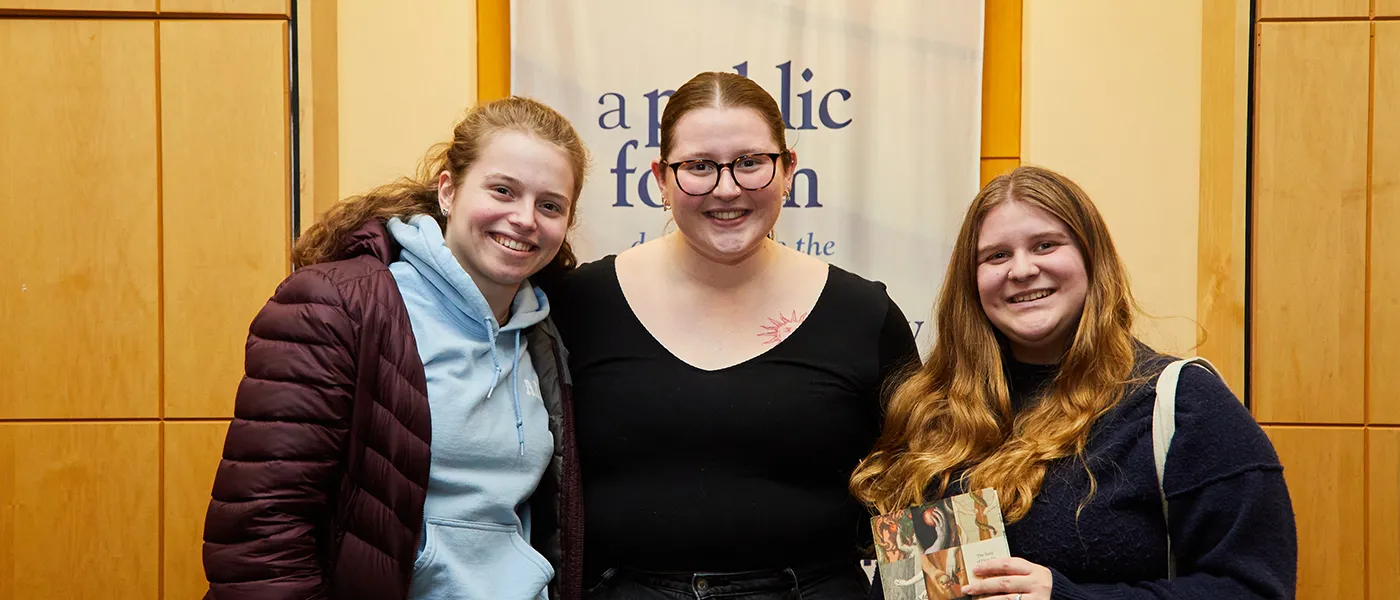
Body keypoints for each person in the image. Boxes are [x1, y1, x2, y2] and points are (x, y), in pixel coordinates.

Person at [545, 71, 920, 600]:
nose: (727, 188)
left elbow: (926, 490)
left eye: (750, 162)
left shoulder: (864, 315)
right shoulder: (579, 305)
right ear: (660, 177)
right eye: (698, 166)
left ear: (788, 169)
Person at [201, 96, 590, 600]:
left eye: (550, 205)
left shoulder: (544, 332)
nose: (524, 218)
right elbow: (262, 530)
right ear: (448, 191)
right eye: (502, 190)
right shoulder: (337, 305)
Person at [850, 166, 1297, 599]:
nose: (1021, 270)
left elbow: (1255, 588)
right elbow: (913, 592)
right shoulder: (938, 416)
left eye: (1045, 245)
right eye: (996, 255)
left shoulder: (1179, 404)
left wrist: (1063, 596)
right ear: (972, 281)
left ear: (1092, 259)